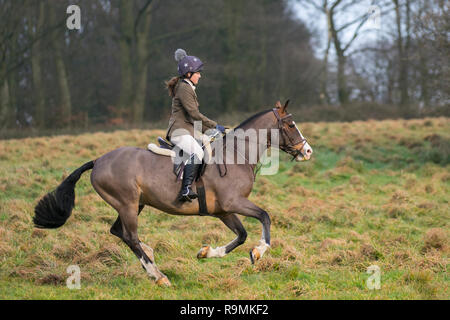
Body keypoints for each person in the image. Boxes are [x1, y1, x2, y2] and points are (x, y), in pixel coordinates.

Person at [165, 49, 226, 202]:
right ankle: (185, 189)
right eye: (198, 72)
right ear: (188, 74)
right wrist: (215, 125)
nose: (200, 75)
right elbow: (194, 114)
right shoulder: (184, 88)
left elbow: (194, 120)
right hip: (179, 132)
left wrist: (213, 130)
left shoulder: (187, 87)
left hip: (188, 130)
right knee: (197, 152)